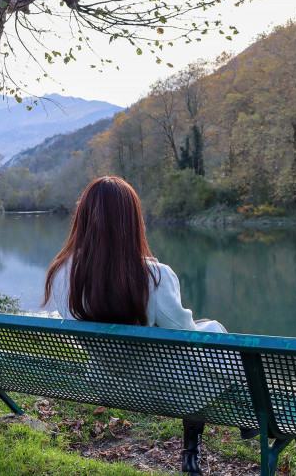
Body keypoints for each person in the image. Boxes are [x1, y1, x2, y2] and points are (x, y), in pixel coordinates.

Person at [42, 176, 254, 476]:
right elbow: (188, 337)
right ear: (132, 220)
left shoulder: (63, 273)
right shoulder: (153, 276)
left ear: (84, 218)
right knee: (214, 335)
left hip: (108, 383)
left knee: (205, 341)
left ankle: (220, 435)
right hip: (165, 388)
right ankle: (252, 417)